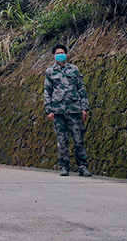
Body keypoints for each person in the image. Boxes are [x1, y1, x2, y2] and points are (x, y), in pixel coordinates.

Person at [43, 43, 92, 177]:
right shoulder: (50, 72)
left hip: (75, 110)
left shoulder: (74, 70)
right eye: (57, 53)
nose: (60, 55)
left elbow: (81, 89)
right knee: (62, 140)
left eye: (62, 52)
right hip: (58, 112)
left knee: (78, 139)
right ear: (54, 56)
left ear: (66, 54)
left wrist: (84, 109)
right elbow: (47, 91)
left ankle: (82, 167)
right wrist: (48, 110)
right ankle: (64, 167)